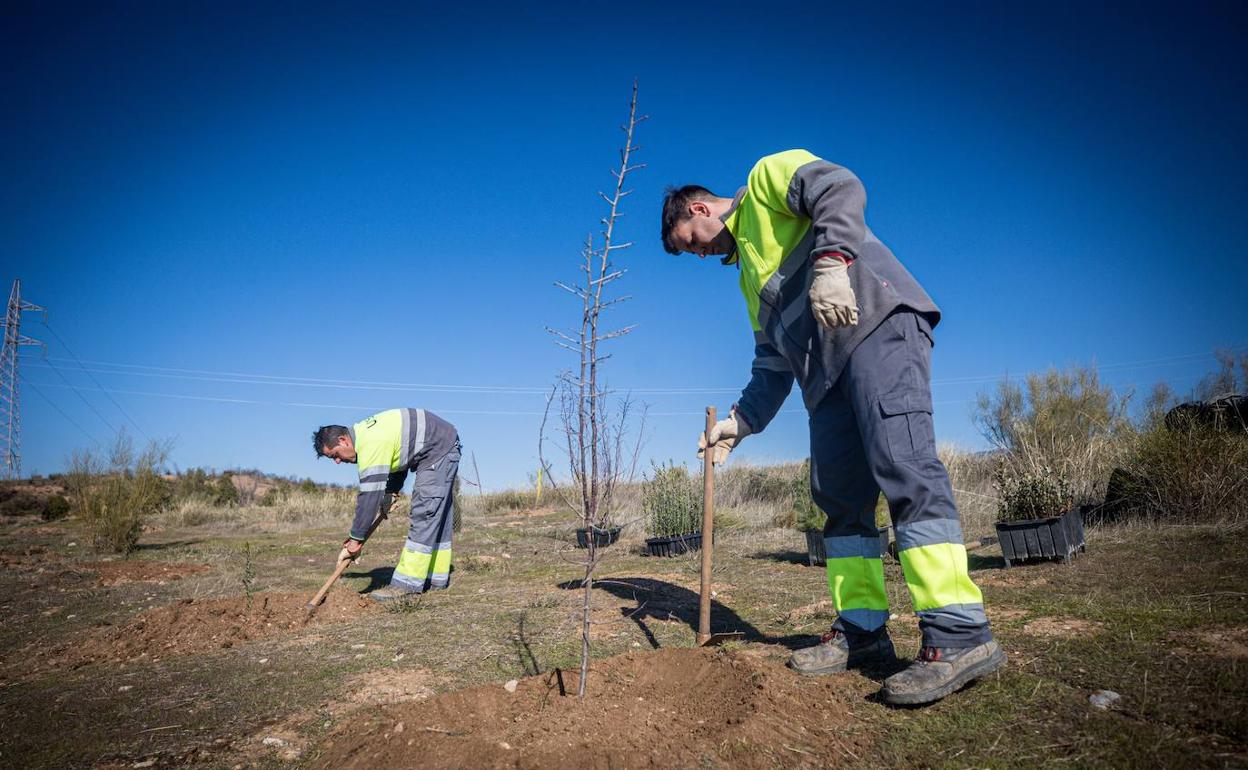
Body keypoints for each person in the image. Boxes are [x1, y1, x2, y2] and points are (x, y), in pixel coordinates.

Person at [660, 149, 1004, 706]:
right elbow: (771, 364)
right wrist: (740, 423)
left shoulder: (765, 179)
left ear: (699, 208)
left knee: (904, 467)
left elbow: (840, 187)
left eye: (692, 242)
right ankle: (863, 630)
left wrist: (831, 264)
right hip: (825, 375)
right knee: (839, 500)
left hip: (876, 327)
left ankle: (959, 633)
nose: (700, 254)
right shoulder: (749, 279)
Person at [313, 408, 461, 602]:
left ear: (343, 441)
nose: (338, 461)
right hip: (442, 445)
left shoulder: (370, 445)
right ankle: (436, 579)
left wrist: (355, 540)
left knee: (426, 512)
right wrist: (391, 492)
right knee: (435, 515)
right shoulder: (367, 434)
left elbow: (369, 498)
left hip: (438, 449)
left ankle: (406, 585)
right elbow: (401, 458)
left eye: (335, 455)